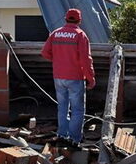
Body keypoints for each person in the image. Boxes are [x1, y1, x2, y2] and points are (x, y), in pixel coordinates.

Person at [41, 8, 95, 145]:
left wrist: (59, 60)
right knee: (77, 109)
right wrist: (91, 78)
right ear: (79, 20)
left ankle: (62, 135)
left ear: (65, 18)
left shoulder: (56, 33)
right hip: (75, 77)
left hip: (58, 77)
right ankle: (74, 139)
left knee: (62, 107)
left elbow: (45, 53)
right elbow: (86, 59)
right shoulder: (80, 35)